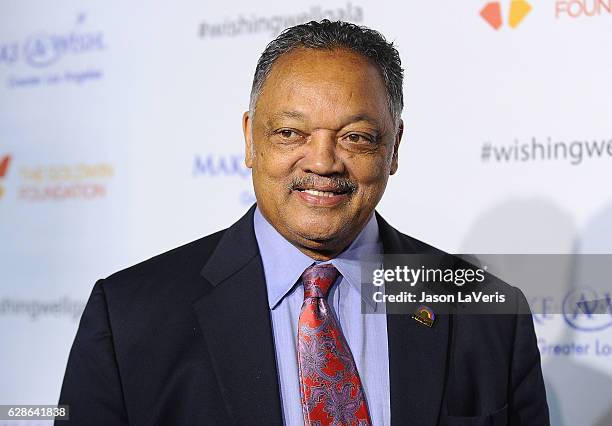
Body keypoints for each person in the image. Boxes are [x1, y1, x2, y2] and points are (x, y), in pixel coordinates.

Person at [57, 20, 549, 426]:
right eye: (290, 132)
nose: (323, 162)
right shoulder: (127, 321)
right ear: (251, 139)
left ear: (394, 147)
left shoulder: (486, 316)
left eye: (355, 137)